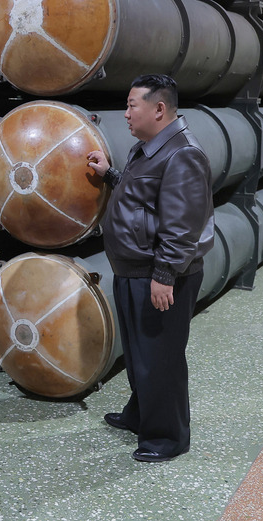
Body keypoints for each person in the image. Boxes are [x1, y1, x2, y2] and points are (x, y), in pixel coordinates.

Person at [86, 74, 214, 463]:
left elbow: (182, 226)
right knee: (142, 354)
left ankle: (167, 437)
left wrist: (164, 275)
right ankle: (140, 414)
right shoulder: (150, 147)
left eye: (131, 106)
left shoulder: (183, 154)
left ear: (159, 109)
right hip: (135, 269)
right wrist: (110, 174)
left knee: (161, 358)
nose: (126, 114)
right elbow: (144, 196)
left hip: (157, 275)